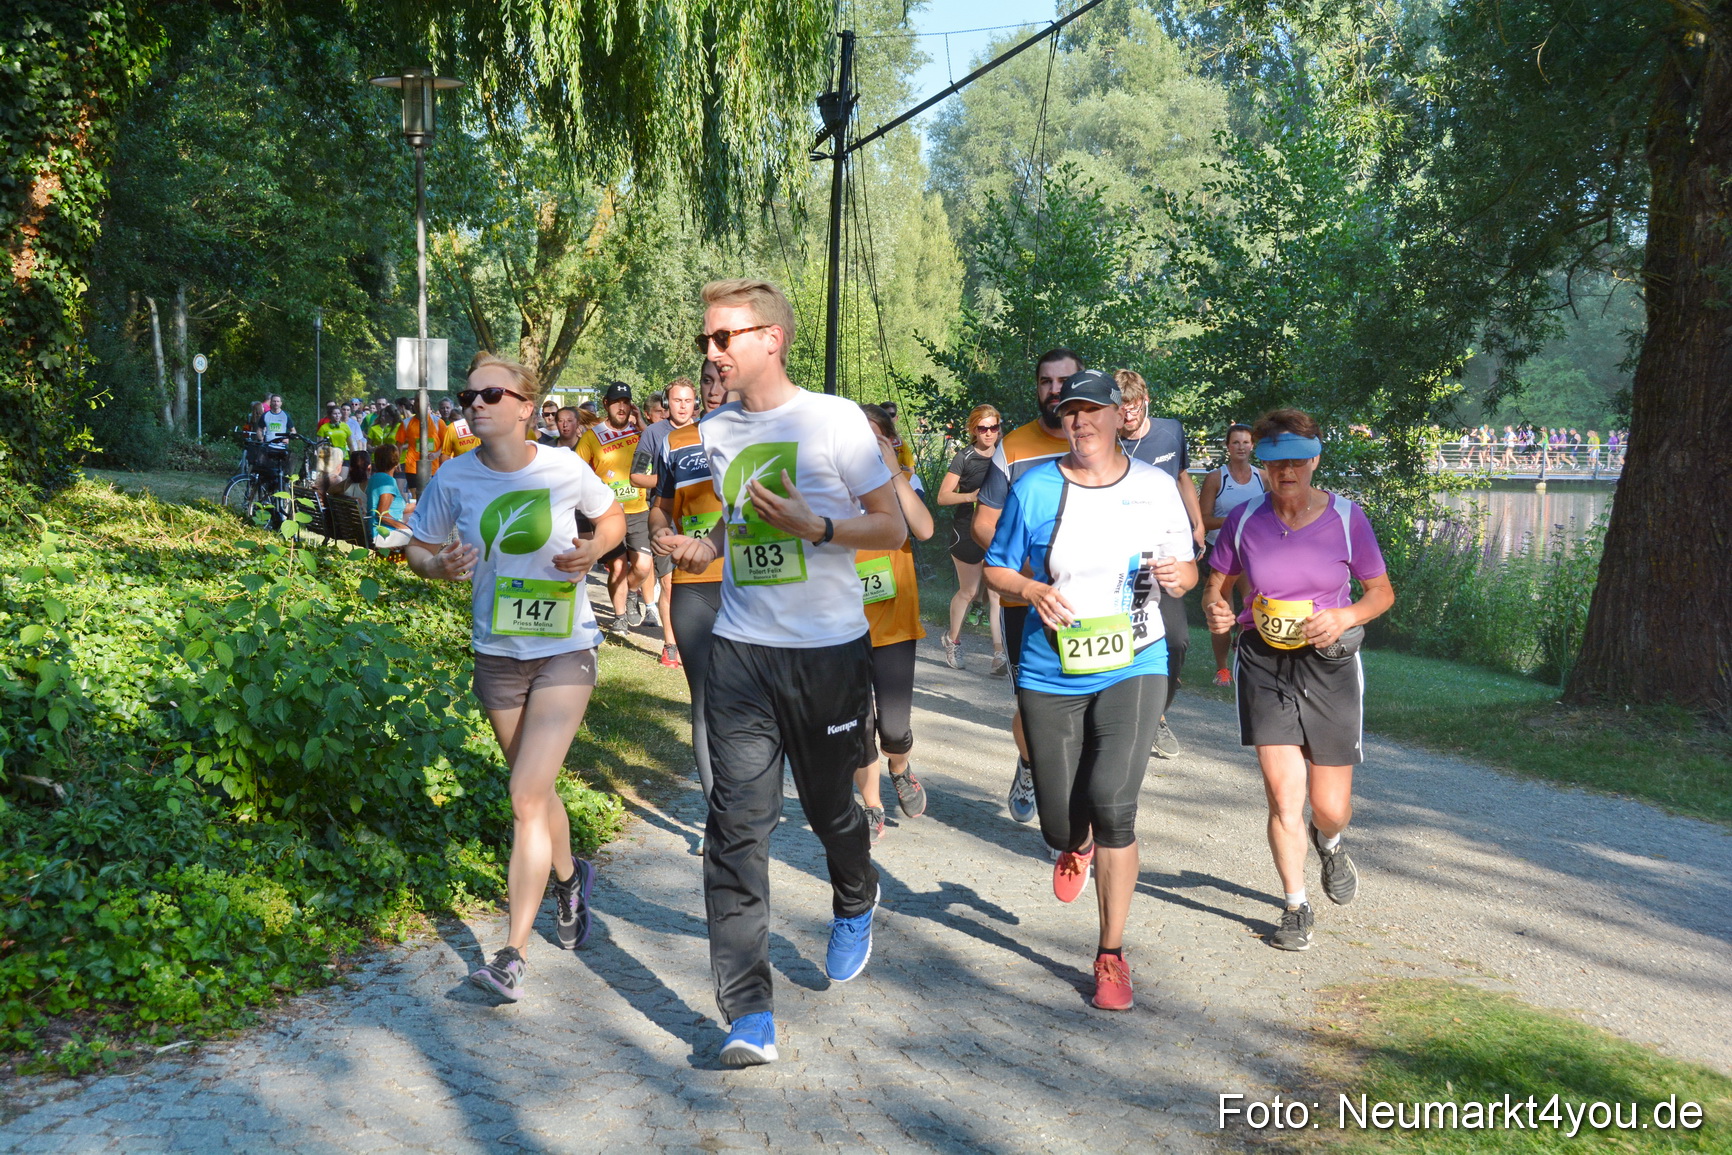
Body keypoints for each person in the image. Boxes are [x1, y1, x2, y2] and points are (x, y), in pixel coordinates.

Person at [657, 279, 904, 1066]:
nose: (710, 352)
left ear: (773, 338)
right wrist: (707, 549)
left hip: (828, 655)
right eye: (705, 339)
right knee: (736, 828)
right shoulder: (717, 434)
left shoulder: (833, 420)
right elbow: (735, 528)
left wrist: (819, 525)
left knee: (833, 811)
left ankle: (856, 892)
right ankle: (748, 1012)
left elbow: (894, 524)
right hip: (740, 655)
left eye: (724, 337)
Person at [405, 352, 624, 1001]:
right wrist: (436, 565)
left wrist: (595, 547)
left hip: (565, 648)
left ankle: (512, 954)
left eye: (490, 394)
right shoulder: (454, 478)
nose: (474, 404)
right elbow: (419, 546)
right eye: (467, 395)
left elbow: (610, 515)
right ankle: (569, 877)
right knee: (538, 786)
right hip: (497, 654)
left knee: (526, 794)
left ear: (526, 406)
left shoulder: (562, 467)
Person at [983, 369, 1196, 1011]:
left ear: (1117, 416)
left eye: (1091, 411)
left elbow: (1184, 564)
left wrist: (1183, 577)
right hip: (1052, 665)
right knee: (1060, 820)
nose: (1080, 422)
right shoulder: (1037, 485)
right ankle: (1070, 845)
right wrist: (1032, 590)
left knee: (1112, 803)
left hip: (1135, 656)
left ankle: (1110, 955)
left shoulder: (1156, 488)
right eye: (1069, 412)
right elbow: (996, 566)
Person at [1201, 408, 1395, 953]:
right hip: (1263, 662)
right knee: (1285, 796)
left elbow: (1381, 593)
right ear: (1261, 464)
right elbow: (1217, 585)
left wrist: (1344, 615)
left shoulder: (1348, 518)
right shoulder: (1244, 521)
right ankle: (1295, 905)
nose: (1285, 471)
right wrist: (1217, 609)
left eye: (1295, 461)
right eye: (1273, 461)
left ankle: (1330, 842)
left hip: (1329, 663)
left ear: (1313, 461)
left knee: (1329, 805)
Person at [972, 348, 1080, 825]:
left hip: (1092, 603)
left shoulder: (1102, 441)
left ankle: (1081, 807)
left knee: (1094, 701)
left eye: (1064, 381)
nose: (1054, 390)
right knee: (1032, 707)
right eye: (1045, 382)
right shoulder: (1012, 447)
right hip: (1028, 601)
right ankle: (1031, 762)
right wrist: (1026, 571)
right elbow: (983, 525)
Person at [648, 364, 729, 834]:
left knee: (757, 703)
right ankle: (720, 816)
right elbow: (660, 506)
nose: (714, 389)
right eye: (707, 381)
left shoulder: (769, 432)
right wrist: (660, 531)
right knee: (704, 701)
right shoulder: (677, 443)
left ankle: (749, 802)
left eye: (723, 379)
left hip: (754, 585)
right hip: (696, 583)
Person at [852, 403, 933, 844]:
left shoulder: (902, 482)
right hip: (843, 626)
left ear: (887, 440)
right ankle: (872, 804)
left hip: (895, 623)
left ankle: (899, 767)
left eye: (873, 438)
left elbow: (924, 530)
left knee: (894, 729)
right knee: (859, 725)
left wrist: (892, 472)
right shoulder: (831, 484)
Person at [1114, 369, 1203, 759]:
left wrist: (1197, 524)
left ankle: (1157, 716)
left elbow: (1183, 477)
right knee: (1121, 633)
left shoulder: (1170, 431)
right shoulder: (1105, 441)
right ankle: (1114, 712)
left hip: (1163, 553)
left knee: (1176, 639)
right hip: (1118, 556)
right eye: (1120, 409)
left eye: (1132, 408)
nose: (1127, 416)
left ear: (1145, 400)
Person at [576, 382, 659, 635]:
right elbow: (576, 471)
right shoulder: (593, 437)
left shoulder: (639, 433)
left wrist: (643, 424)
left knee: (643, 566)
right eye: (616, 402)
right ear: (606, 404)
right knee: (619, 567)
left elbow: (659, 450)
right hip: (607, 513)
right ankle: (620, 616)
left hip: (638, 509)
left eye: (626, 402)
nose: (621, 407)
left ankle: (632, 592)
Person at [632, 378, 698, 667]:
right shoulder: (653, 434)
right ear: (666, 404)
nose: (683, 407)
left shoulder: (705, 430)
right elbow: (636, 475)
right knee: (670, 584)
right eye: (677, 401)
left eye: (688, 401)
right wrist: (670, 481)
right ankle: (671, 644)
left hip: (698, 516)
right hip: (663, 514)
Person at [936, 404, 1004, 672]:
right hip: (965, 530)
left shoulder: (1005, 455)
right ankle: (952, 639)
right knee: (970, 590)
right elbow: (942, 497)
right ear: (973, 430)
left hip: (997, 531)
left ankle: (999, 654)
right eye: (983, 428)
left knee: (997, 592)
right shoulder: (964, 457)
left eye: (993, 428)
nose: (989, 433)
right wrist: (971, 496)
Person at [1198, 423, 1267, 685]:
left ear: (1252, 446)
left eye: (1245, 442)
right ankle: (1222, 669)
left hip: (1253, 554)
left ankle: (1250, 659)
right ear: (1228, 447)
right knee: (1221, 612)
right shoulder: (1217, 478)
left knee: (1256, 609)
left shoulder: (1264, 477)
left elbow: (1275, 514)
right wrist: (1235, 520)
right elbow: (1203, 521)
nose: (1240, 447)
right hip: (1222, 553)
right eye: (1235, 442)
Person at [394, 402, 446, 495]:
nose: (421, 408)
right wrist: (397, 460)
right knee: (416, 496)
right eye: (417, 405)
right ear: (415, 407)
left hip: (433, 466)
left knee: (431, 495)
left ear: (429, 406)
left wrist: (437, 453)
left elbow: (446, 443)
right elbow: (399, 443)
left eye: (424, 405)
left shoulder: (438, 422)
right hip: (412, 466)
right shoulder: (406, 423)